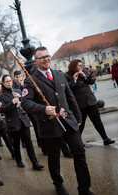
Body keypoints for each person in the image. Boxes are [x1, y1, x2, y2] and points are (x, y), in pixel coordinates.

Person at [22, 46, 93, 195]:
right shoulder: (31, 81)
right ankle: (58, 184)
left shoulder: (59, 75)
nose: (46, 59)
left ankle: (84, 188)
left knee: (79, 153)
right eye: (42, 57)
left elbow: (70, 97)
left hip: (68, 120)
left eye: (48, 56)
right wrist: (43, 109)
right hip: (50, 125)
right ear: (36, 61)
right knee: (54, 159)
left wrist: (78, 117)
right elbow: (26, 103)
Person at [0, 75, 44, 171]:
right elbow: (1, 109)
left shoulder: (18, 91)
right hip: (13, 122)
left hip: (23, 120)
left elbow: (27, 103)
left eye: (10, 81)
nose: (9, 83)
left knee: (29, 142)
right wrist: (11, 103)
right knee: (16, 143)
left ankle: (35, 163)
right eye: (7, 81)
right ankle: (18, 160)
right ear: (3, 83)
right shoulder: (0, 96)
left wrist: (22, 98)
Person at [66, 59, 115, 146]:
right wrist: (74, 80)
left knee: (97, 121)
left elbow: (91, 81)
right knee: (81, 123)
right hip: (80, 103)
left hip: (91, 101)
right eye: (79, 66)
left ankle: (105, 138)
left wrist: (85, 76)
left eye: (82, 65)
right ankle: (78, 142)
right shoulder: (68, 75)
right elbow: (67, 89)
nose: (82, 67)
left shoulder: (85, 71)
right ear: (74, 67)